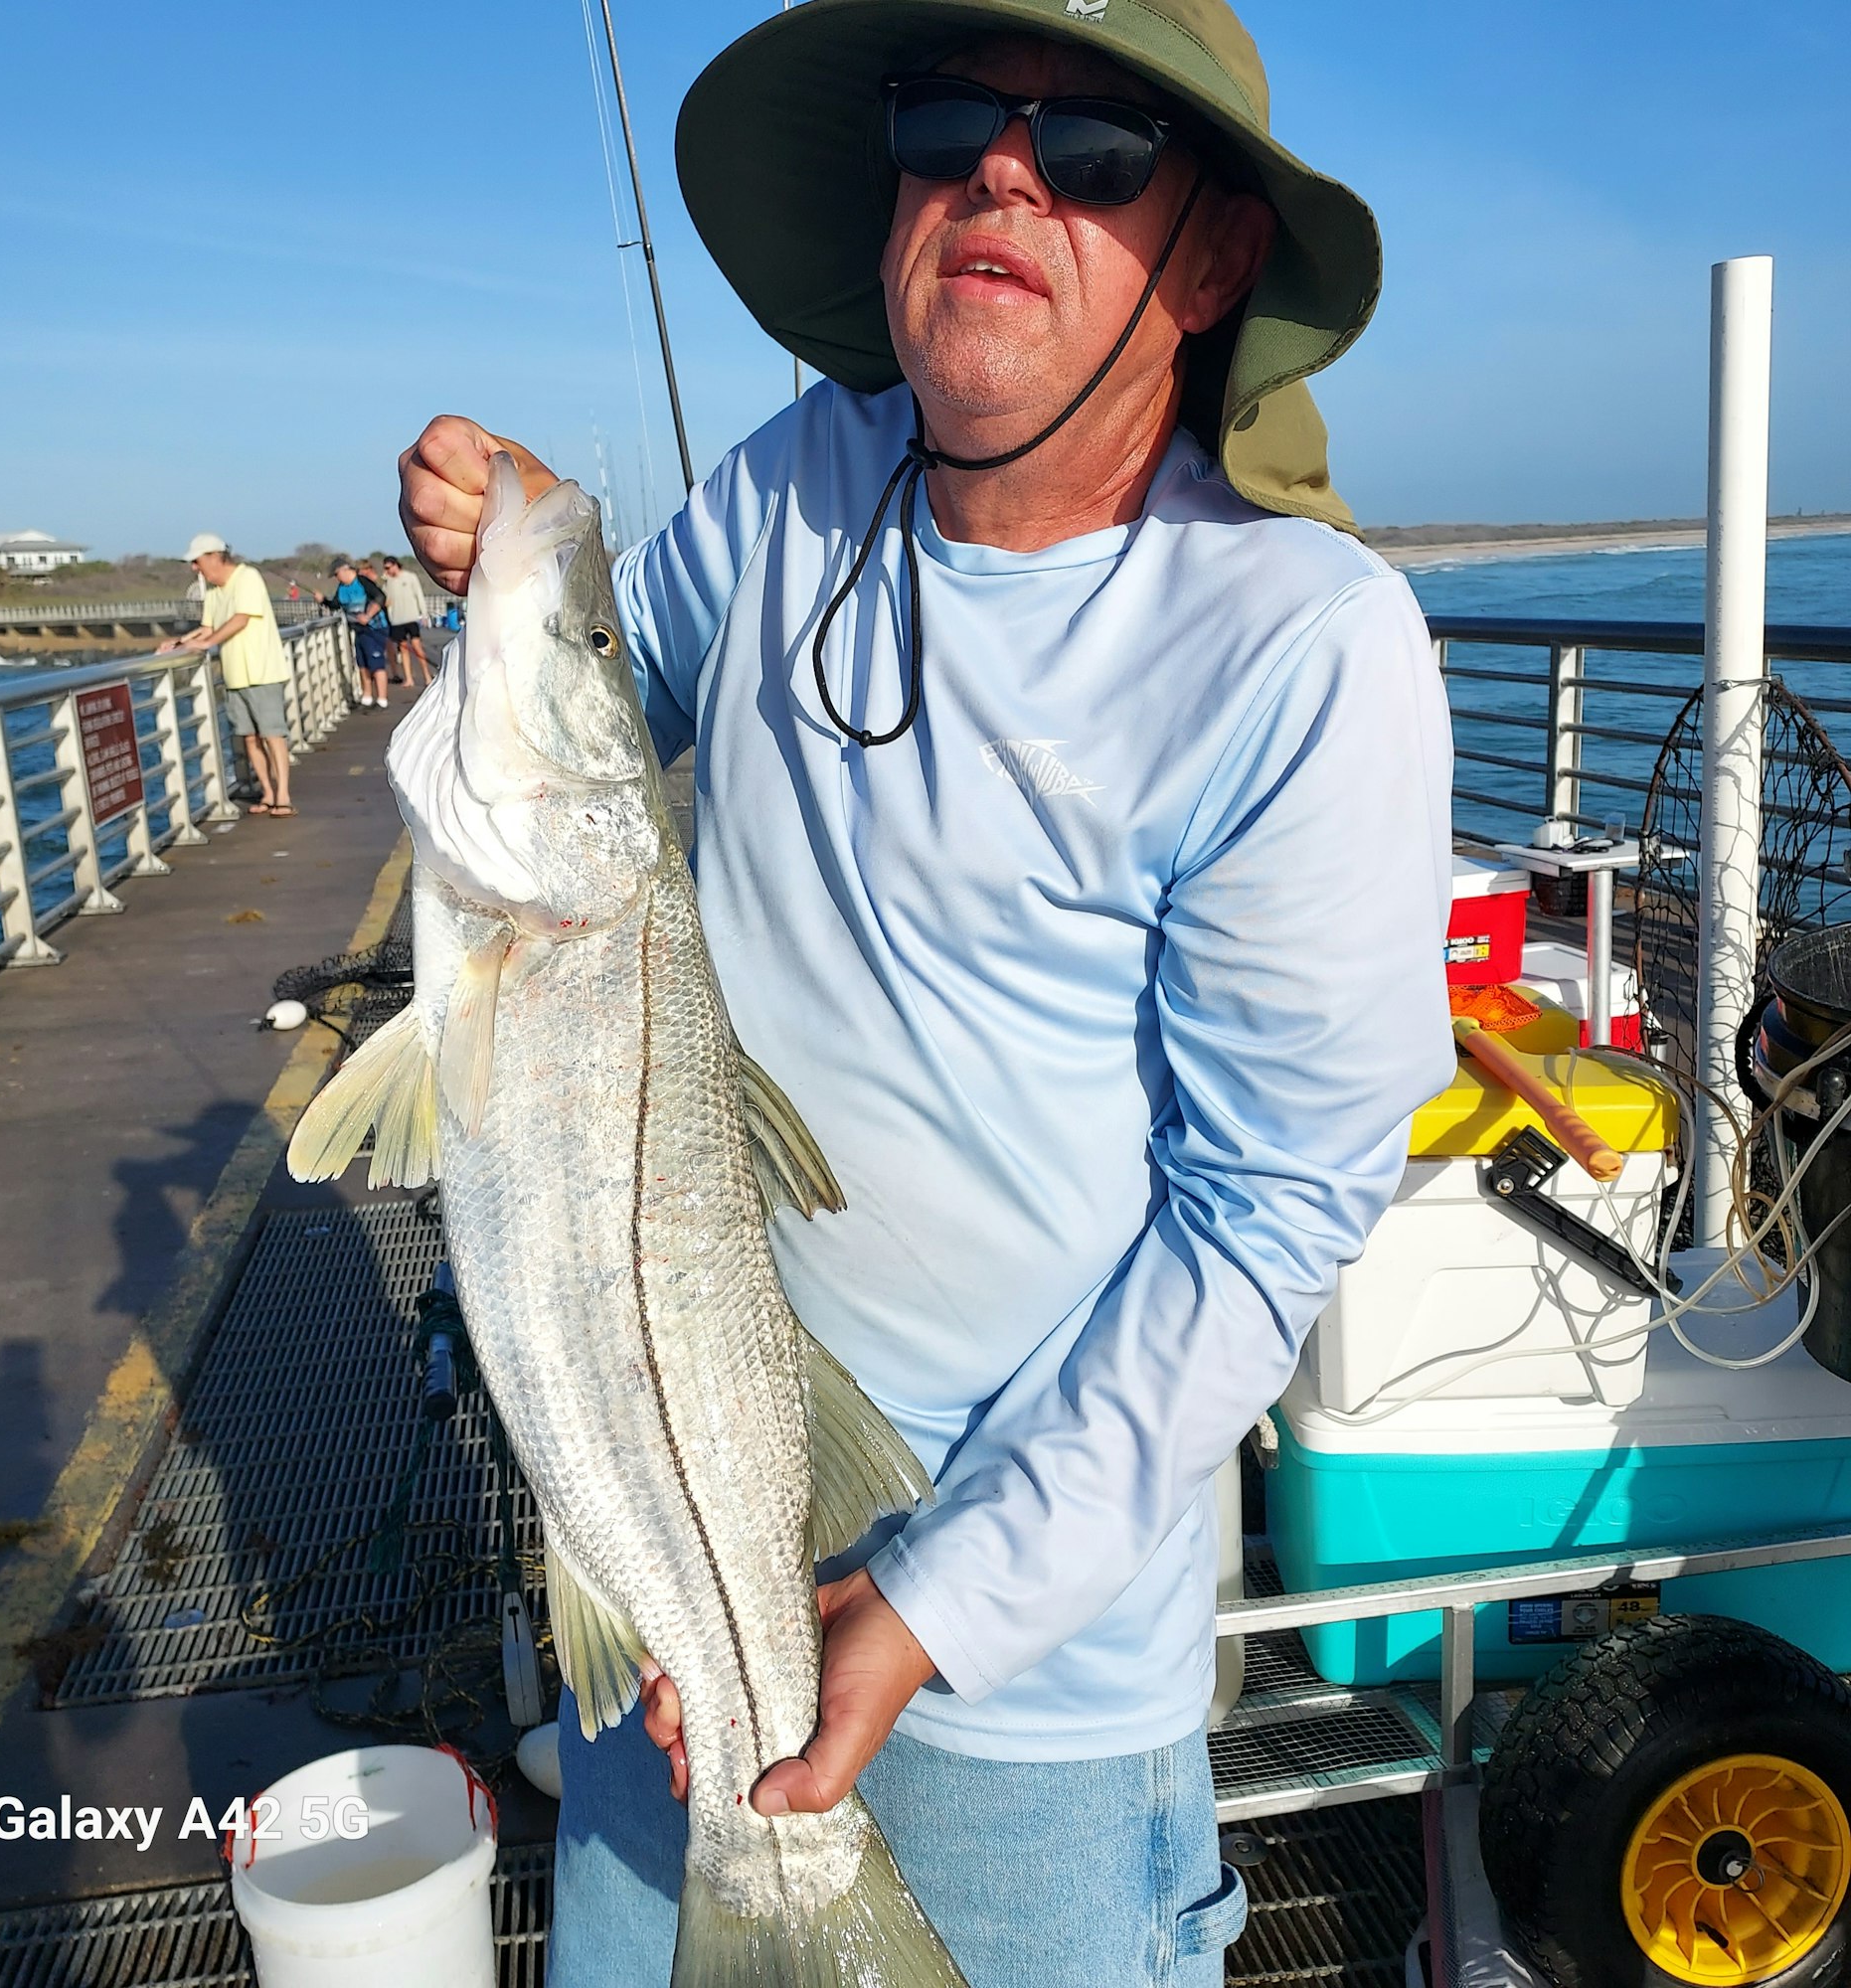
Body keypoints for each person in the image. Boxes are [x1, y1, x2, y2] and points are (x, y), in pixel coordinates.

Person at [399, 3, 1452, 1983]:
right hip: (682, 1540)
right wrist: (515, 573)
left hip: (1020, 1675)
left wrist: (925, 1604)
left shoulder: (1306, 649)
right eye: (949, 115)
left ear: (1215, 258)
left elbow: (1270, 1214)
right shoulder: (803, 470)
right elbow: (593, 748)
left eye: (1100, 150)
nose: (999, 171)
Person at [157, 533, 294, 817]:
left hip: (262, 670)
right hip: (235, 675)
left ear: (214, 557)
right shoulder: (213, 592)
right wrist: (180, 642)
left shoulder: (248, 578)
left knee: (272, 735)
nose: (195, 568)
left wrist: (207, 643)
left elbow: (241, 618)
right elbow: (207, 629)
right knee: (249, 737)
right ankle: (267, 793)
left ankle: (283, 795)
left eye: (197, 562)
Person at [313, 558, 391, 707]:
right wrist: (323, 600)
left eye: (337, 574)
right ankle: (366, 697)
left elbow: (380, 597)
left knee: (376, 664)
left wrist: (368, 616)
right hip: (358, 630)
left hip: (374, 628)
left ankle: (382, 699)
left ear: (345, 570)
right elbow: (335, 605)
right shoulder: (342, 588)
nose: (337, 578)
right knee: (362, 664)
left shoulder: (362, 582)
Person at [380, 554, 432, 689]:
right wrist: (385, 581)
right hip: (396, 620)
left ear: (395, 565)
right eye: (385, 568)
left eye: (389, 568)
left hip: (411, 617)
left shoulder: (410, 577)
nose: (387, 571)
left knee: (416, 646)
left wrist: (424, 614)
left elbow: (419, 595)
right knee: (403, 649)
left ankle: (427, 676)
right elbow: (385, 599)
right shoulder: (388, 582)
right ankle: (409, 678)